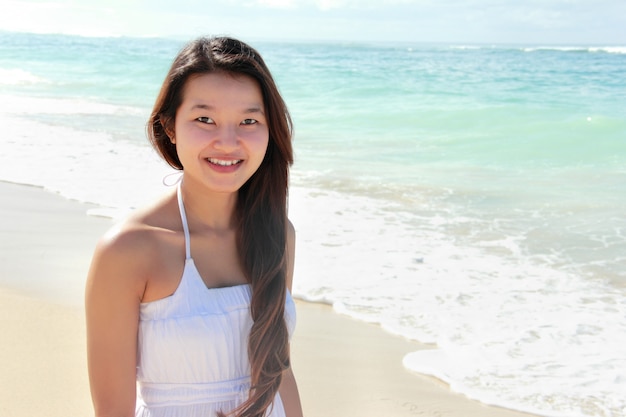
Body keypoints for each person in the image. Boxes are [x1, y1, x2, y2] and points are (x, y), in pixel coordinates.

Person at [85, 36, 303, 417]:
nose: (228, 141)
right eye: (205, 119)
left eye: (249, 120)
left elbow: (279, 373)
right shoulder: (128, 250)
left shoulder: (278, 234)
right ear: (170, 127)